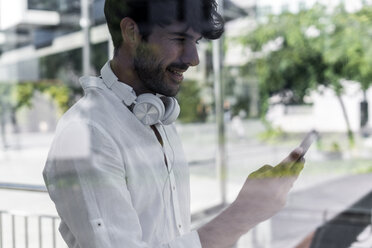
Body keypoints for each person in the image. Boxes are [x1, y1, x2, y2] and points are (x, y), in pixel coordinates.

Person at [43, 0, 305, 247]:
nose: (193, 58)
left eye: (196, 42)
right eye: (179, 39)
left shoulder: (157, 115)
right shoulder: (86, 134)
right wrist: (243, 213)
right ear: (132, 32)